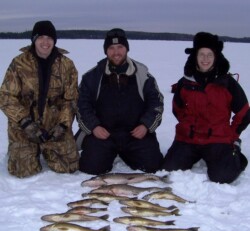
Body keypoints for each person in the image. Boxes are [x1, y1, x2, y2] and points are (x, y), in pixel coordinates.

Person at [161, 32, 250, 184]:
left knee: (222, 177)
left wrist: (232, 133)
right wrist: (188, 126)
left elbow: (244, 112)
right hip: (189, 138)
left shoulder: (227, 83)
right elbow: (178, 108)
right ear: (195, 56)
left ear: (216, 57)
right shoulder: (185, 82)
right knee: (169, 170)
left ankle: (234, 152)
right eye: (202, 54)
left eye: (209, 55)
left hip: (218, 138)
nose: (205, 59)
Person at [75, 28, 164, 175]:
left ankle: (128, 154)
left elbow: (156, 103)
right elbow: (81, 105)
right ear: (106, 51)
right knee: (89, 168)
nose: (116, 52)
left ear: (127, 49)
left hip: (135, 134)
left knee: (153, 166)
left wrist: (146, 125)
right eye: (111, 48)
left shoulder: (142, 74)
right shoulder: (92, 77)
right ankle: (107, 154)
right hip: (103, 135)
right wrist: (94, 127)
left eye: (120, 47)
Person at [0, 20, 79, 178]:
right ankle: (21, 149)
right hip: (24, 128)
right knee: (22, 172)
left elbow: (71, 100)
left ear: (54, 41)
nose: (45, 42)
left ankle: (48, 147)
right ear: (34, 39)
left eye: (49, 38)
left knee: (69, 168)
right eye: (41, 37)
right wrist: (25, 122)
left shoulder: (66, 65)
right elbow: (6, 96)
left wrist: (63, 126)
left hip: (54, 128)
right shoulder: (19, 63)